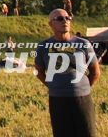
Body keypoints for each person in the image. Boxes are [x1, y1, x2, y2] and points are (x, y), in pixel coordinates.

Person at [34, 9, 100, 137]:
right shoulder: (43, 46)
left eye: (67, 17)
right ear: (51, 24)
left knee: (87, 133)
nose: (65, 21)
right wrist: (53, 85)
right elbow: (38, 71)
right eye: (59, 19)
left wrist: (82, 87)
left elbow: (95, 72)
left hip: (82, 99)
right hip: (58, 100)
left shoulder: (83, 44)